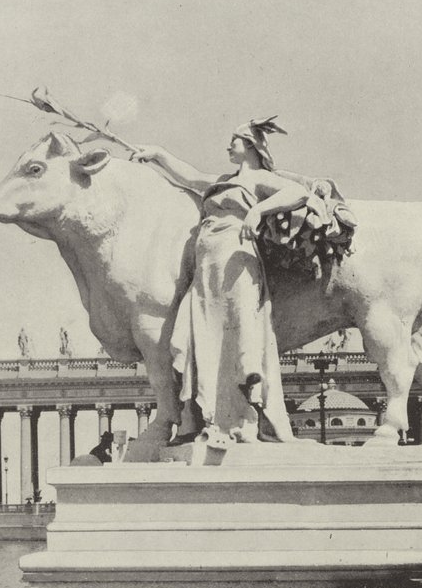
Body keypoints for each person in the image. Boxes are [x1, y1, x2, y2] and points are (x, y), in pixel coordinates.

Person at [136, 118, 354, 443]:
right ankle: (206, 417)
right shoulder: (223, 180)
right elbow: (190, 175)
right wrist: (157, 154)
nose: (227, 146)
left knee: (236, 336)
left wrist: (259, 211)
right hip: (207, 266)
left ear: (249, 146)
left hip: (237, 260)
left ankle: (240, 419)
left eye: (233, 141)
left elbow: (296, 193)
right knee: (202, 337)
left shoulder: (261, 178)